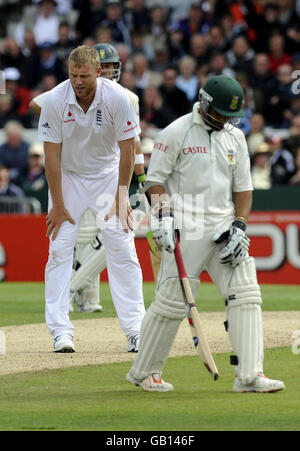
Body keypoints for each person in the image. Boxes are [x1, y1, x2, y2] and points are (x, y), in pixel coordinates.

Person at [126, 74, 285, 393]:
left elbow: (244, 188)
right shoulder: (176, 132)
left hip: (224, 227)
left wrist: (240, 224)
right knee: (171, 302)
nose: (226, 120)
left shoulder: (235, 137)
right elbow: (154, 181)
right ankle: (145, 372)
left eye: (231, 115)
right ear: (205, 104)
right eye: (222, 113)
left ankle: (249, 375)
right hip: (186, 227)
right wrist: (163, 217)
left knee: (247, 296)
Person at [37, 45, 145, 354]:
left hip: (108, 175)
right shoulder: (56, 100)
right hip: (68, 177)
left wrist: (122, 195)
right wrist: (57, 205)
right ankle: (60, 332)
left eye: (84, 76)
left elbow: (128, 151)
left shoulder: (118, 99)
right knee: (59, 249)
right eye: (73, 75)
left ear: (98, 72)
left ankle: (136, 330)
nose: (78, 82)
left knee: (122, 246)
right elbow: (51, 157)